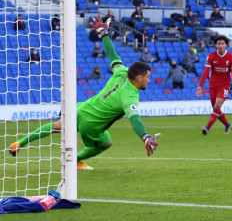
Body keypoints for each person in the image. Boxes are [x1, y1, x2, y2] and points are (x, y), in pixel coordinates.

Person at [9, 16, 157, 169]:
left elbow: (112, 54)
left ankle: (19, 143)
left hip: (81, 108)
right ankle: (76, 160)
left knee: (57, 126)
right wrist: (145, 137)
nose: (149, 80)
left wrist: (103, 34)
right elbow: (135, 119)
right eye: (147, 77)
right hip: (91, 125)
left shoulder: (121, 71)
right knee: (106, 143)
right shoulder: (130, 96)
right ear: (139, 78)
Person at [196, 35, 232, 135]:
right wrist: (200, 86)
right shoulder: (211, 56)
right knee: (215, 108)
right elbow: (206, 71)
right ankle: (227, 124)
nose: (220, 45)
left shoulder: (231, 56)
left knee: (217, 105)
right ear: (215, 45)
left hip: (225, 85)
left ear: (226, 45)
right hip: (213, 85)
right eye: (218, 43)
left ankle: (207, 128)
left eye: (222, 43)